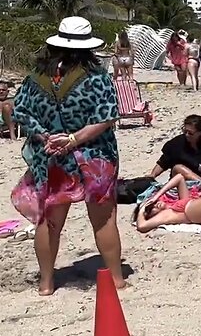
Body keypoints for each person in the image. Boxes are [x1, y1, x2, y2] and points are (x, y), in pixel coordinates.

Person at [10, 17, 123, 296]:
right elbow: (106, 118)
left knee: (49, 221)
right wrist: (73, 139)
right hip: (93, 156)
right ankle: (117, 280)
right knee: (103, 219)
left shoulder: (35, 78)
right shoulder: (96, 77)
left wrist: (46, 137)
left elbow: (20, 112)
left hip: (50, 158)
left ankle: (46, 283)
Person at [146, 114, 201, 182]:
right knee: (179, 168)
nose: (186, 135)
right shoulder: (177, 144)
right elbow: (163, 162)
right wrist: (153, 175)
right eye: (185, 131)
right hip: (183, 182)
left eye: (190, 133)